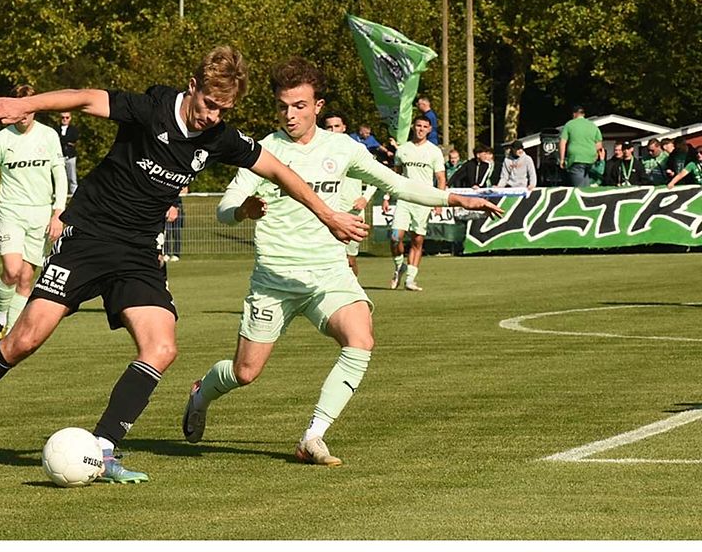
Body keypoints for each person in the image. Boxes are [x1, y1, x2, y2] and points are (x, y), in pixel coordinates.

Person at [0, 46, 369, 483]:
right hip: (88, 236)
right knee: (24, 340)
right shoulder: (151, 108)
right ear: (192, 86)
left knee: (161, 348)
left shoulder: (219, 137)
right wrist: (20, 102)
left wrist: (329, 215)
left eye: (223, 111)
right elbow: (86, 98)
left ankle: (105, 448)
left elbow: (280, 171)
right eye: (208, 104)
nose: (213, 116)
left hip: (138, 253)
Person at [180, 57, 502, 466]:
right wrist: (244, 210)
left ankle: (313, 437)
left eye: (299, 105)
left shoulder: (342, 148)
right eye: (283, 106)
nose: (290, 114)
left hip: (329, 275)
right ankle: (201, 392)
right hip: (275, 280)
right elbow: (225, 207)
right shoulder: (262, 152)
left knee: (360, 339)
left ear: (318, 106)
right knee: (245, 374)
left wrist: (455, 198)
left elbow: (398, 184)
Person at [0, 84, 67, 347]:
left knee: (27, 278)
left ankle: (9, 337)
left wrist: (58, 211)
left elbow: (59, 175)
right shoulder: (1, 139)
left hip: (40, 215)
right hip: (11, 212)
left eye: (30, 107)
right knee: (12, 271)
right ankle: (0, 319)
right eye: (20, 107)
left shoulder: (49, 136)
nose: (24, 114)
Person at [386, 116, 446, 291]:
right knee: (395, 237)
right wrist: (387, 197)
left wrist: (439, 202)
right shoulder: (402, 150)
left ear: (429, 130)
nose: (420, 129)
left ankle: (410, 279)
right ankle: (399, 266)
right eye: (418, 125)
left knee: (417, 240)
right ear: (413, 127)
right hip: (404, 198)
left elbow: (441, 178)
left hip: (424, 200)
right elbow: (394, 176)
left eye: (424, 127)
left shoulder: (434, 151)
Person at [323, 111, 377, 276]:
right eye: (329, 127)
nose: (333, 130)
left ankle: (353, 296)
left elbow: (378, 176)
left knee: (349, 260)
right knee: (327, 260)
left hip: (353, 213)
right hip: (328, 214)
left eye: (336, 126)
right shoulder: (318, 152)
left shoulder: (356, 150)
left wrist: (365, 198)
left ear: (344, 128)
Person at [558, 105, 603, 187]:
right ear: (583, 114)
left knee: (578, 188)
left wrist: (561, 159)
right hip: (590, 159)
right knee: (585, 184)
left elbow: (562, 142)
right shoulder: (592, 125)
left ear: (574, 114)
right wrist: (593, 154)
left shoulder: (569, 124)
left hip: (576, 158)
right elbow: (599, 145)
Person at [57, 111, 79, 194]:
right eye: (63, 117)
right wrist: (66, 141)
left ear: (70, 118)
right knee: (60, 176)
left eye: (67, 117)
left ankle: (74, 193)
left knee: (72, 177)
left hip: (71, 156)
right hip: (60, 156)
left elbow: (74, 139)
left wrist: (63, 139)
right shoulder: (56, 129)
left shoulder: (74, 129)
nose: (65, 119)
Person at [163, 186, 186, 262]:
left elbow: (185, 191)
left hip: (178, 208)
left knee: (176, 233)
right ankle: (167, 253)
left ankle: (176, 254)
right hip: (166, 208)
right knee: (167, 232)